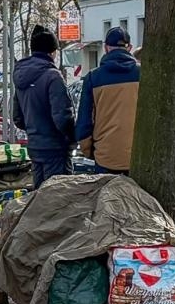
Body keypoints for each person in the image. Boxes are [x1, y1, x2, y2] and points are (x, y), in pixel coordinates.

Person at [13, 25, 75, 187]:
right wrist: (72, 137)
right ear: (52, 52)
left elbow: (17, 117)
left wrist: (34, 130)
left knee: (39, 194)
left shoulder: (20, 75)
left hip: (34, 146)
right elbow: (62, 117)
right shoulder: (53, 76)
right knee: (58, 195)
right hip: (55, 147)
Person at [76, 26, 141, 175]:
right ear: (129, 47)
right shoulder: (143, 74)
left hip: (105, 157)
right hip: (138, 156)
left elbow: (84, 121)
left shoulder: (93, 78)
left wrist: (89, 152)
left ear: (106, 48)